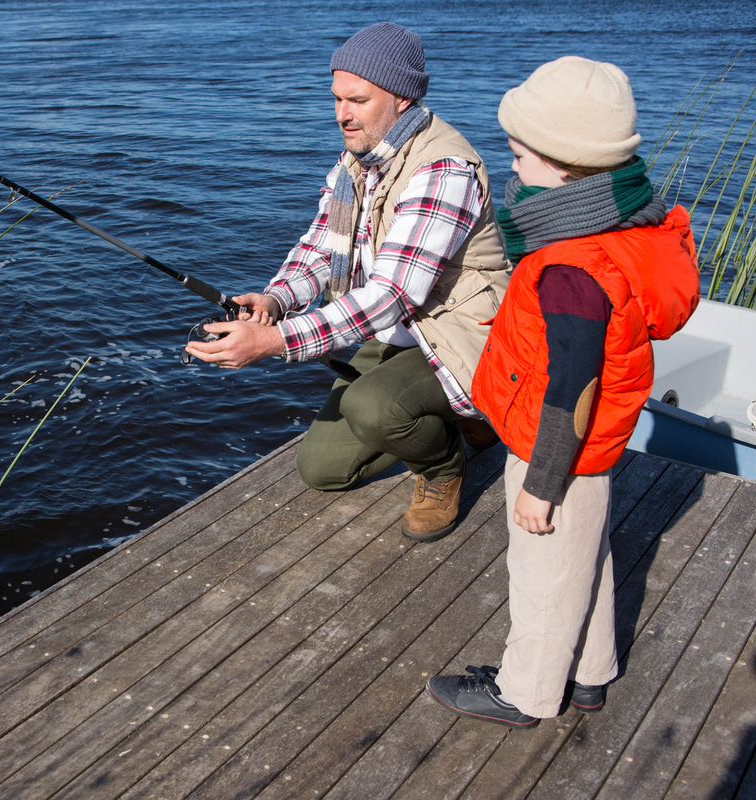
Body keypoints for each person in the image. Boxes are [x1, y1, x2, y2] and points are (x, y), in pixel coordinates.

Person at [426, 56, 700, 727]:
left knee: (544, 574)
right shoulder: (617, 230)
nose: (512, 166)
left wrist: (541, 483)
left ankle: (526, 692)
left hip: (560, 448)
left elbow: (570, 389)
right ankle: (589, 674)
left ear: (564, 163)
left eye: (521, 154)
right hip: (591, 448)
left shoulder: (573, 269)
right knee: (586, 556)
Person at [185, 22, 510, 543]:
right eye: (336, 98)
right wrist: (275, 298)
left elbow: (391, 295)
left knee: (372, 407)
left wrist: (275, 341)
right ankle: (454, 416)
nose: (341, 114)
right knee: (323, 470)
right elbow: (320, 245)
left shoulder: (445, 168)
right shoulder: (358, 159)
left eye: (357, 100)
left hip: (462, 334)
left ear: (402, 98)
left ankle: (444, 468)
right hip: (397, 334)